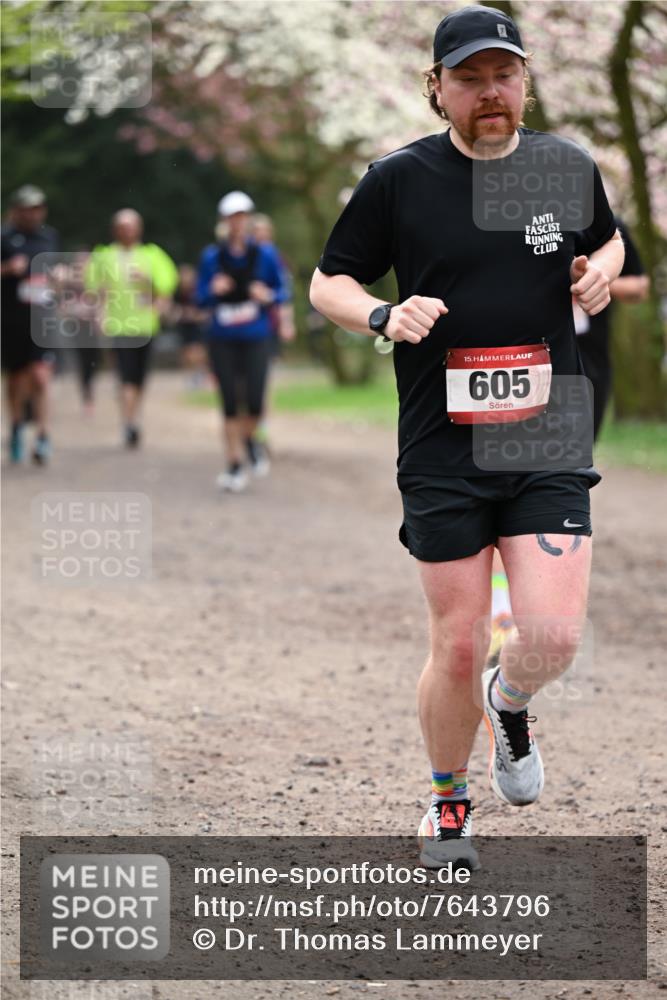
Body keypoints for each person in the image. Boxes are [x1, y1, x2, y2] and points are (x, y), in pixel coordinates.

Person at [310, 5, 624, 869]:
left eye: (504, 76)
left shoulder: (560, 167)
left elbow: (608, 241)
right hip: (443, 439)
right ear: (437, 88)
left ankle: (510, 700)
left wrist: (599, 271)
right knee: (452, 640)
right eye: (470, 78)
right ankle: (448, 804)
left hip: (544, 432)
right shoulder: (401, 179)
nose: (490, 93)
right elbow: (327, 279)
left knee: (552, 636)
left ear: (524, 82)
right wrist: (381, 310)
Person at [197, 192, 290, 492]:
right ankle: (234, 464)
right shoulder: (212, 257)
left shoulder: (264, 255)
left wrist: (268, 296)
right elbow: (199, 298)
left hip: (255, 337)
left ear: (248, 219)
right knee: (228, 402)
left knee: (253, 400)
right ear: (224, 221)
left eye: (243, 216)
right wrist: (212, 290)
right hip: (222, 338)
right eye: (232, 217)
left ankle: (250, 439)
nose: (238, 222)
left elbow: (282, 291)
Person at [85, 209, 178, 448]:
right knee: (125, 376)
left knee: (140, 378)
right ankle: (128, 422)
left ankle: (133, 417)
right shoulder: (104, 256)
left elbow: (166, 288)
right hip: (119, 326)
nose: (127, 231)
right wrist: (100, 315)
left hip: (146, 325)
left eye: (131, 226)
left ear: (139, 228)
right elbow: (95, 291)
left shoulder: (153, 255)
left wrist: (147, 281)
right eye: (122, 226)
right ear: (115, 230)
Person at [574, 216, 649, 439]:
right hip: (531, 352)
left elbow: (640, 287)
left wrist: (592, 280)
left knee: (582, 443)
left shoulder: (603, 223)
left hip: (589, 353)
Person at [1, 185, 59, 464]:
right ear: (16, 210)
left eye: (38, 208)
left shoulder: (49, 237)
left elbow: (55, 274)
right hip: (11, 319)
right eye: (28, 208)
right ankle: (15, 427)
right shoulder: (4, 238)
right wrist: (8, 270)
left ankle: (44, 435)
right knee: (16, 379)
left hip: (42, 318)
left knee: (40, 375)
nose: (33, 214)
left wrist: (59, 277)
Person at [170, 264, 209, 387]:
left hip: (197, 327)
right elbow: (172, 310)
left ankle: (200, 375)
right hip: (184, 326)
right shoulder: (178, 293)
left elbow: (205, 312)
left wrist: (193, 315)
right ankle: (190, 377)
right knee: (186, 353)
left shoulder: (197, 292)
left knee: (198, 352)